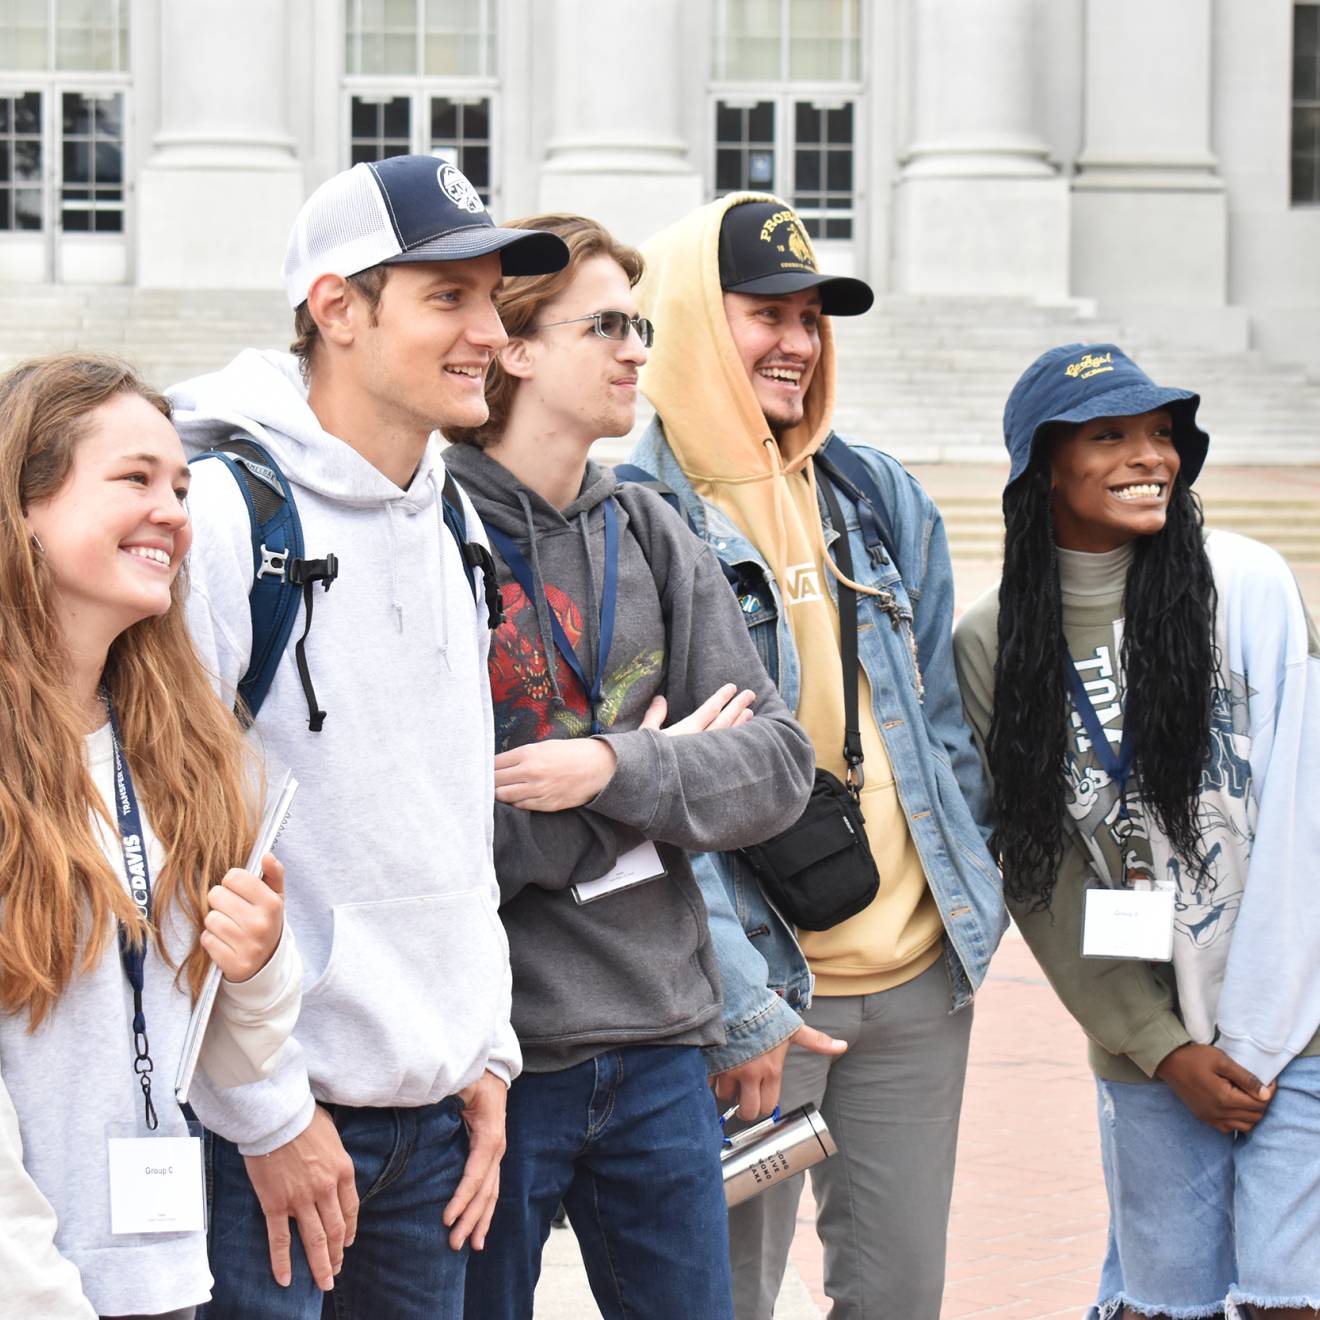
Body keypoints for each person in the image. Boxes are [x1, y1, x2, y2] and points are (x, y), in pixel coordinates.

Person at [168, 158, 569, 1319]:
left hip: (434, 1131)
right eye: (449, 297)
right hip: (266, 1144)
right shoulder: (223, 516)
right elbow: (173, 838)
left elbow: (444, 817)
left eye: (493, 299)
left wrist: (483, 1048)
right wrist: (267, 1113)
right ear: (336, 308)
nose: (492, 333)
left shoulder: (451, 511)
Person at [630, 195, 1007, 1320]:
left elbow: (942, 723)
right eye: (765, 313)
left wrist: (957, 900)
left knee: (899, 1298)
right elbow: (654, 791)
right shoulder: (633, 514)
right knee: (719, 1301)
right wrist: (742, 1000)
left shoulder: (874, 496)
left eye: (811, 318)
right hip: (752, 999)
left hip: (914, 979)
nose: (796, 342)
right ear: (694, 316)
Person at [441, 212, 815, 1320]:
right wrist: (668, 777)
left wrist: (608, 768)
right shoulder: (432, 532)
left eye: (640, 322)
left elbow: (778, 770)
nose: (637, 349)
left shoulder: (649, 529)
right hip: (501, 1057)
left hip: (661, 1047)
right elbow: (446, 834)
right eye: (606, 324)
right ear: (515, 347)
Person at [953, 342, 1320, 1319]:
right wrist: (1162, 1047)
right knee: (1172, 1305)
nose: (1149, 454)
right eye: (1109, 435)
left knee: (1294, 1297)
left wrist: (1276, 1021)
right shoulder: (995, 642)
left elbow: (1303, 808)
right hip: (1150, 1037)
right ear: (1042, 465)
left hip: (1300, 1016)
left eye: (1161, 433)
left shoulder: (1245, 588)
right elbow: (1040, 872)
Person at [0, 353, 302, 1320]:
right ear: (25, 508)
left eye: (179, 484)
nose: (175, 508)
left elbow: (206, 1053)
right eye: (134, 479)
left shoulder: (181, 751)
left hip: (163, 1279)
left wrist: (255, 970)